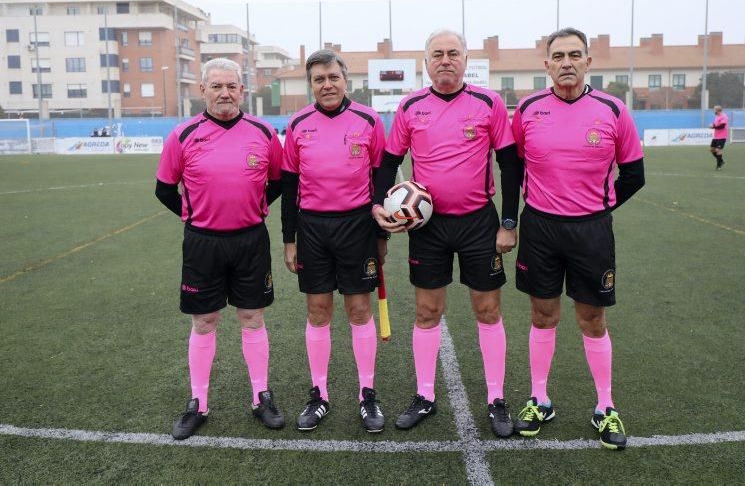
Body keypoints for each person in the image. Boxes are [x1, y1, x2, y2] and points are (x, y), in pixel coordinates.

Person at [372, 29, 521, 438]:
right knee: (426, 312)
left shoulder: (488, 102)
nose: (445, 60)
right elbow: (387, 164)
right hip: (428, 227)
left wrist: (509, 222)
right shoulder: (410, 106)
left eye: (452, 53)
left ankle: (496, 399)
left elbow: (510, 165)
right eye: (437, 54)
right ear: (426, 62)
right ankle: (424, 395)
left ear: (464, 59)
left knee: (487, 311)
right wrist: (376, 206)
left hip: (479, 223)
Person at [510, 27, 645, 450]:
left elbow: (635, 175)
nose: (566, 62)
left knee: (592, 319)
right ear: (546, 64)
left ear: (589, 61)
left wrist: (598, 207)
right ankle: (540, 399)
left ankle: (605, 407)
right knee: (543, 315)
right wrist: (509, 220)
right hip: (540, 228)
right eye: (558, 56)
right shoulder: (529, 109)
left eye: (575, 54)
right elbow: (513, 170)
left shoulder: (613, 109)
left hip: (591, 231)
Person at [155, 58, 285, 440]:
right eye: (216, 86)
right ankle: (198, 402)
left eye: (232, 86)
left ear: (242, 90)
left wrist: (258, 206)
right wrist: (192, 213)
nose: (225, 93)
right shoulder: (182, 135)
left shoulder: (263, 133)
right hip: (203, 243)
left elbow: (277, 182)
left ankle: (261, 396)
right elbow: (165, 189)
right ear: (202, 90)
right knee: (204, 321)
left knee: (252, 318)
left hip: (250, 240)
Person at [281, 50, 388, 433]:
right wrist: (288, 239)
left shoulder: (369, 119)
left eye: (333, 77)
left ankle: (367, 395)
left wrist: (380, 235)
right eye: (318, 79)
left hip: (357, 226)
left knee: (359, 311)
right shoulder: (297, 124)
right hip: (312, 229)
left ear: (346, 80)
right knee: (318, 312)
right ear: (310, 84)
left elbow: (381, 179)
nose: (327, 85)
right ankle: (319, 395)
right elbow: (289, 185)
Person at [710, 105, 729, 169]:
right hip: (716, 136)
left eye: (714, 110)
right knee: (712, 150)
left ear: (718, 110)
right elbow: (715, 124)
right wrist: (712, 125)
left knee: (718, 150)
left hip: (722, 136)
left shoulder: (724, 116)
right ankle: (721, 161)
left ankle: (718, 166)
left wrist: (714, 127)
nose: (713, 111)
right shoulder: (717, 116)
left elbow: (722, 126)